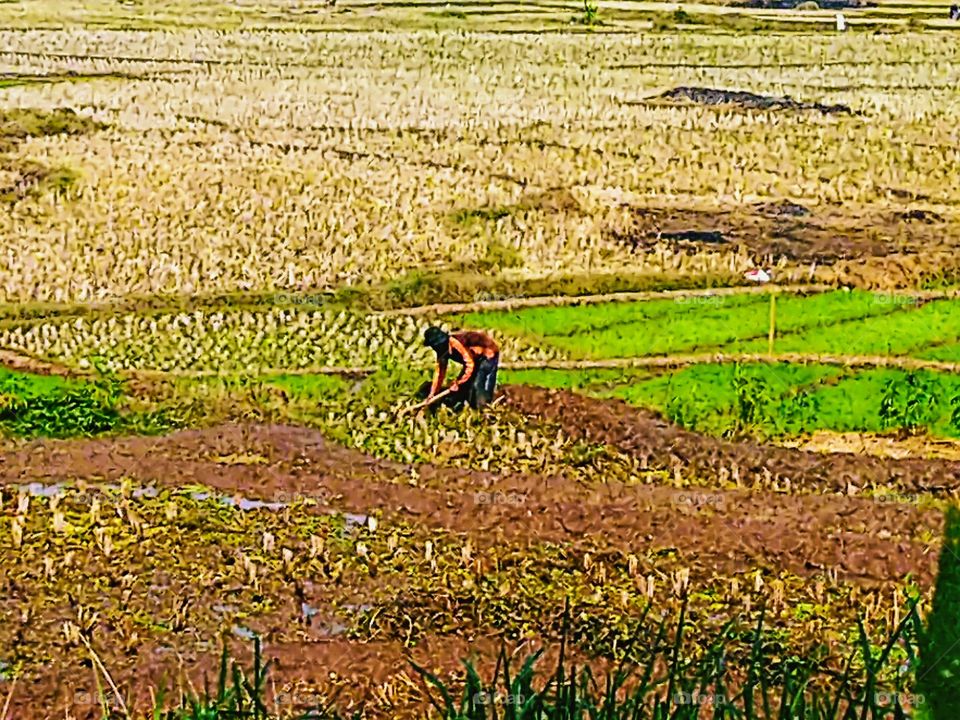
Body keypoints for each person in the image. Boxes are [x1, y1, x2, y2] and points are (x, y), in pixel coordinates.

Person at [418, 326, 500, 412]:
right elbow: (440, 373)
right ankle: (466, 406)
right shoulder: (442, 351)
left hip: (487, 355)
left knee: (477, 385)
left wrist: (458, 382)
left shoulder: (456, 343)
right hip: (474, 359)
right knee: (464, 388)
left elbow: (469, 364)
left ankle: (484, 408)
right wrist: (432, 394)